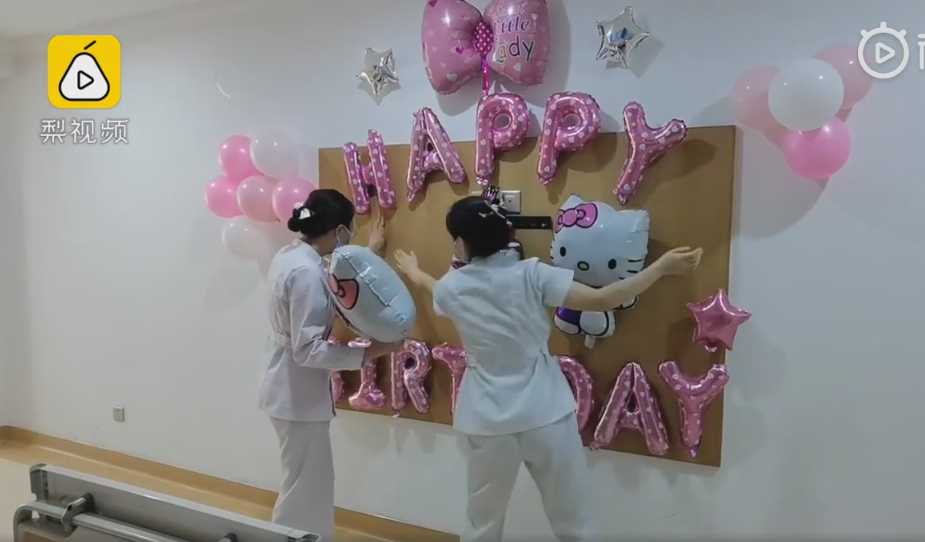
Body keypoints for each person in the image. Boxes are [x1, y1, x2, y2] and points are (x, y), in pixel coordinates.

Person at [393, 196, 702, 542]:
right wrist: (659, 268)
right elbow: (603, 299)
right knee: (573, 519)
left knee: (482, 523)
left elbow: (436, 288)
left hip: (487, 419)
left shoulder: (454, 286)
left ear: (461, 244)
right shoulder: (533, 274)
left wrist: (413, 271)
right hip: (546, 412)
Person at [259, 189, 403, 542]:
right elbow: (308, 350)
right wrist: (371, 353)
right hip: (295, 394)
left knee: (308, 483)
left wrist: (369, 255)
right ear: (339, 230)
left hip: (288, 388)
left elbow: (328, 284)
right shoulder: (305, 272)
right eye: (349, 229)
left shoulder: (291, 255)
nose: (350, 235)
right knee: (305, 488)